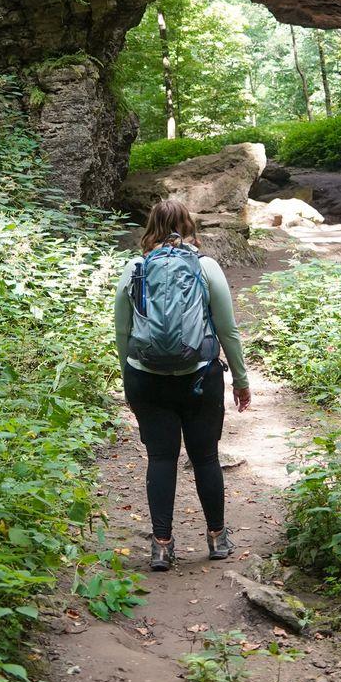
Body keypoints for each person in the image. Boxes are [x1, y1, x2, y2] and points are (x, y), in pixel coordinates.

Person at [114, 199, 252, 573]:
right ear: (189, 226)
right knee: (205, 457)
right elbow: (227, 329)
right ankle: (217, 537)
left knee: (161, 459)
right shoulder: (206, 267)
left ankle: (161, 545)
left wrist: (130, 381)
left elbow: (123, 333)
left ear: (149, 228)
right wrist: (240, 380)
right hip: (199, 376)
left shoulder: (135, 268)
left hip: (147, 378)